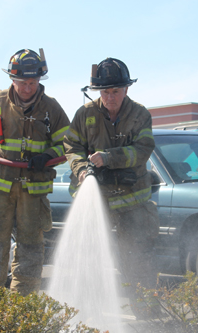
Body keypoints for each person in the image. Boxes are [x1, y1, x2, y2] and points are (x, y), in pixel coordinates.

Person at [0, 48, 70, 296]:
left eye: (32, 82)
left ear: (39, 80)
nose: (27, 88)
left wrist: (46, 156)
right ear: (12, 80)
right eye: (22, 82)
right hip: (1, 184)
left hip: (34, 188)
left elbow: (68, 142)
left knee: (31, 248)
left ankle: (22, 308)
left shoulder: (51, 109)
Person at [63, 58, 159, 316]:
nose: (110, 97)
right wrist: (83, 170)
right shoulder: (85, 115)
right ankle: (88, 317)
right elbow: (71, 147)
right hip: (97, 205)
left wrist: (109, 158)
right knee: (90, 262)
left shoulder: (140, 114)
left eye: (115, 91)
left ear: (126, 89)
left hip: (132, 204)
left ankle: (148, 318)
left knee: (139, 262)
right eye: (105, 91)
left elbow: (143, 149)